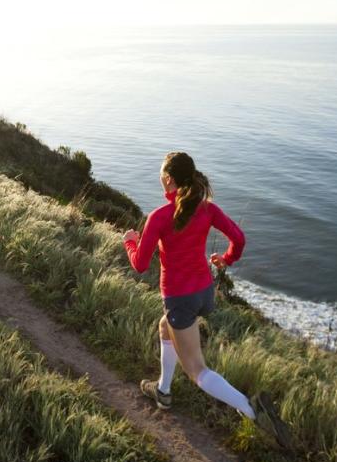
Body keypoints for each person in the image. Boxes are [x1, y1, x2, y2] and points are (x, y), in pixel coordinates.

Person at [123, 152, 288, 444]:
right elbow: (239, 238)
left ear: (169, 180)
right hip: (204, 293)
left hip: (181, 299)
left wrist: (130, 242)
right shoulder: (207, 209)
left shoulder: (160, 217)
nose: (161, 178)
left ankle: (252, 410)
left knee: (197, 370)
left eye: (162, 174)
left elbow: (139, 264)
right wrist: (226, 260)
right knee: (165, 328)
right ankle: (163, 391)